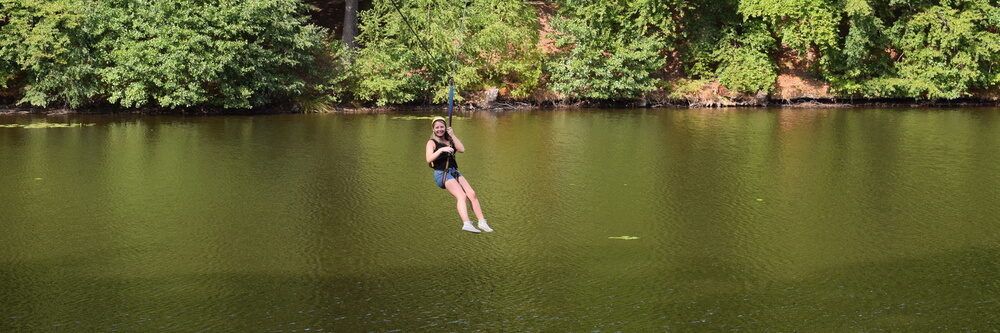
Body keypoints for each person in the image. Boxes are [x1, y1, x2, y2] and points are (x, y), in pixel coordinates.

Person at [425, 116, 492, 233]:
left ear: (445, 128)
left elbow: (461, 149)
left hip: (454, 172)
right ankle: (466, 223)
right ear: (433, 129)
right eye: (437, 127)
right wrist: (441, 150)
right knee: (461, 196)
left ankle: (482, 222)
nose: (440, 129)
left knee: (472, 194)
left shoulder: (450, 140)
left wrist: (453, 135)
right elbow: (428, 158)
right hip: (442, 174)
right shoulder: (432, 142)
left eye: (442, 127)